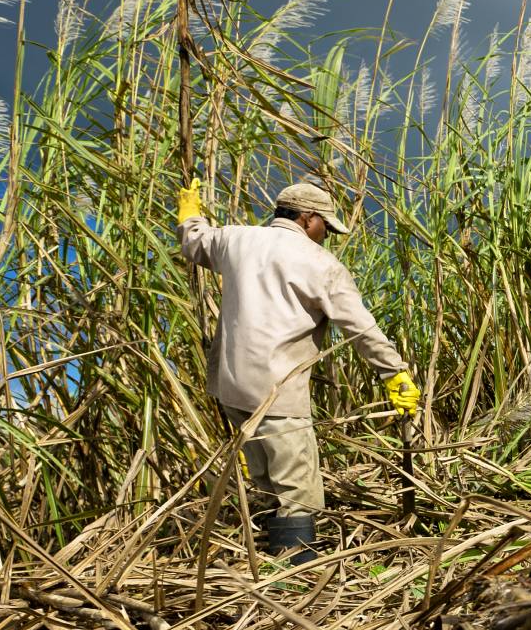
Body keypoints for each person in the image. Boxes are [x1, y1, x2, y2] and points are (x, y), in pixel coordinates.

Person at [175, 178, 420, 563]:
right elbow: (360, 327)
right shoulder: (321, 264)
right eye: (326, 225)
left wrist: (190, 214)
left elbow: (195, 242)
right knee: (298, 493)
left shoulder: (235, 239)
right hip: (278, 393)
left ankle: (269, 563)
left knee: (266, 483)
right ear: (308, 219)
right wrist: (394, 373)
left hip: (231, 389)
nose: (327, 236)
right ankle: (298, 579)